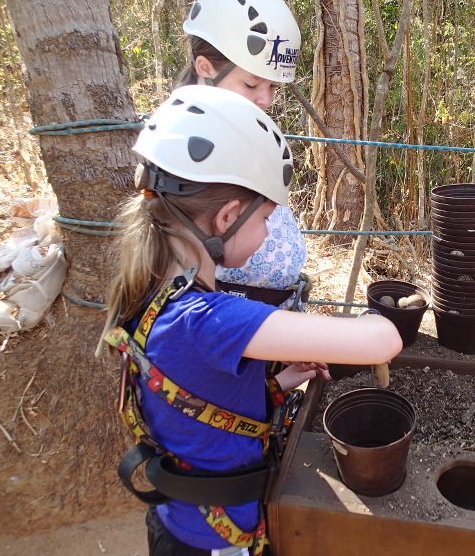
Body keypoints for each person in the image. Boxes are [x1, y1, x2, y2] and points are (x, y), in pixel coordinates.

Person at [101, 86, 402, 556]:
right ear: (227, 217)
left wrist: (276, 384)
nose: (268, 232)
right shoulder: (210, 318)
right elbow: (381, 341)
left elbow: (192, 395)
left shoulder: (157, 293)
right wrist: (369, 321)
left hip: (179, 525)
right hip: (218, 542)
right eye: (267, 217)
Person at [177, 0, 306, 312]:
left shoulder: (240, 124)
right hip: (230, 324)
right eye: (251, 85)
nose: (265, 100)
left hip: (270, 319)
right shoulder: (183, 146)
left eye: (273, 87)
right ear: (205, 67)